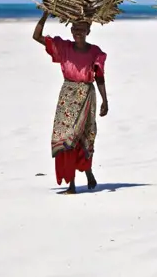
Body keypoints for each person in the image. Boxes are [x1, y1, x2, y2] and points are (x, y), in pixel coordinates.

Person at [33, 11, 109, 194]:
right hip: (67, 95)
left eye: (82, 29)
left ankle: (88, 170)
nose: (78, 32)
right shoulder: (63, 47)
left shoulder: (95, 52)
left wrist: (105, 100)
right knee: (65, 137)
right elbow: (36, 36)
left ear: (88, 31)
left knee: (84, 135)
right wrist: (45, 14)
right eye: (75, 29)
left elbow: (99, 77)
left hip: (86, 95)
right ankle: (72, 183)